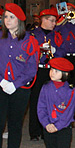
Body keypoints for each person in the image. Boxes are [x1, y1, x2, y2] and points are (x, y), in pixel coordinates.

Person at [0, 3, 39, 148]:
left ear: (20, 20)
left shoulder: (30, 40)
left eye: (11, 17)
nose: (7, 20)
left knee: (15, 124)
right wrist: (1, 81)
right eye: (5, 16)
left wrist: (14, 84)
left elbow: (31, 68)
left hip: (19, 88)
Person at [38, 57, 75, 148]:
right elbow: (41, 107)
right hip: (48, 127)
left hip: (63, 128)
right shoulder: (45, 87)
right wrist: (46, 123)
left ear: (65, 74)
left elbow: (68, 112)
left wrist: (57, 126)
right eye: (52, 70)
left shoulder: (70, 90)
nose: (52, 73)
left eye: (57, 71)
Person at [29, 8, 65, 140]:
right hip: (37, 69)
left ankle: (48, 129)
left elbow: (63, 52)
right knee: (35, 100)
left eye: (55, 21)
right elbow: (27, 51)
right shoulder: (32, 34)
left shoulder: (57, 35)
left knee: (50, 101)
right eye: (52, 20)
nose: (54, 23)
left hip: (52, 70)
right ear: (43, 19)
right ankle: (34, 131)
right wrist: (38, 50)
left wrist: (55, 51)